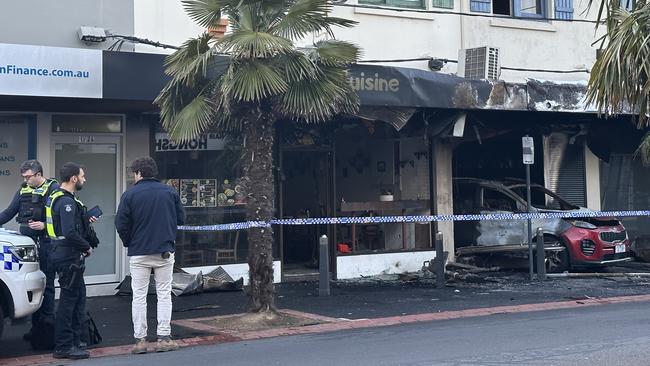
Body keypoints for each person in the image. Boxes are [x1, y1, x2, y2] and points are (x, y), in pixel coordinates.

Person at [115, 157, 185, 354]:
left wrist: (129, 241)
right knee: (164, 294)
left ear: (138, 173)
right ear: (154, 172)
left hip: (139, 252)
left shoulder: (129, 195)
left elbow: (121, 224)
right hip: (164, 251)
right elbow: (181, 218)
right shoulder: (170, 192)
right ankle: (164, 337)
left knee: (139, 296)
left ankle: (140, 340)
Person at [0, 160, 59, 339]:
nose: (26, 181)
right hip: (28, 246)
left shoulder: (53, 190)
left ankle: (46, 329)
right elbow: (9, 212)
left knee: (46, 285)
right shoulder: (23, 190)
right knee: (32, 285)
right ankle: (35, 330)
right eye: (24, 177)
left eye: (28, 177)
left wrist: (44, 226)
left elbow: (62, 219)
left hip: (47, 244)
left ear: (39, 174)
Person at [46, 162, 96, 360]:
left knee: (77, 298)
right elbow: (68, 232)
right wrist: (86, 246)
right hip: (67, 256)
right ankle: (64, 346)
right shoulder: (65, 201)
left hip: (66, 255)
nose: (84, 179)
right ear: (73, 178)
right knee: (69, 301)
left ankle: (76, 341)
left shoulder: (61, 198)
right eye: (82, 176)